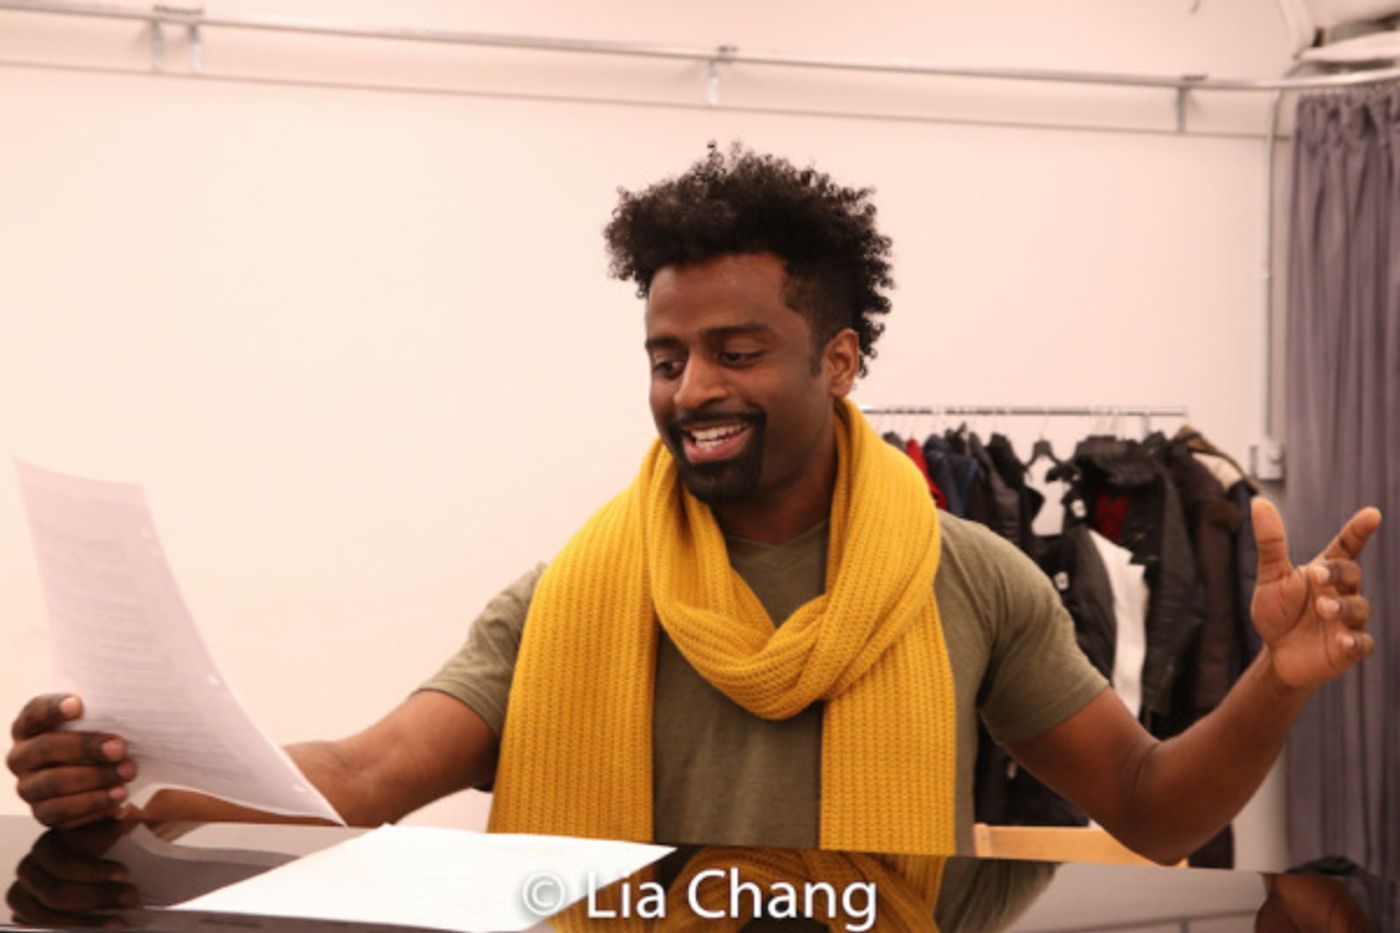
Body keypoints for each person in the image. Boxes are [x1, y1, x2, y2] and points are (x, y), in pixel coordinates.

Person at [6, 145, 1382, 866]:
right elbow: (364, 781)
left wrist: (1274, 675)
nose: (690, 389)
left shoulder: (970, 576)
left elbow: (1145, 809)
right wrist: (136, 782)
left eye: (736, 349)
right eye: (666, 356)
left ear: (839, 360)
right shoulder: (573, 593)